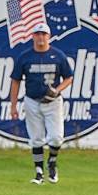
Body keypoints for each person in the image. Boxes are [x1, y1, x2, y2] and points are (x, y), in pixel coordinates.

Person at [9, 22, 73, 185]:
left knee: (56, 138)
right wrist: (13, 105)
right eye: (37, 34)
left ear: (49, 36)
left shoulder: (58, 56)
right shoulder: (25, 57)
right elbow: (15, 81)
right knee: (36, 138)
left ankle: (52, 161)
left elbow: (69, 77)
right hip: (32, 101)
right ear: (33, 37)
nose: (41, 37)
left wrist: (57, 90)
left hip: (53, 102)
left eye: (44, 34)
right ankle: (39, 173)